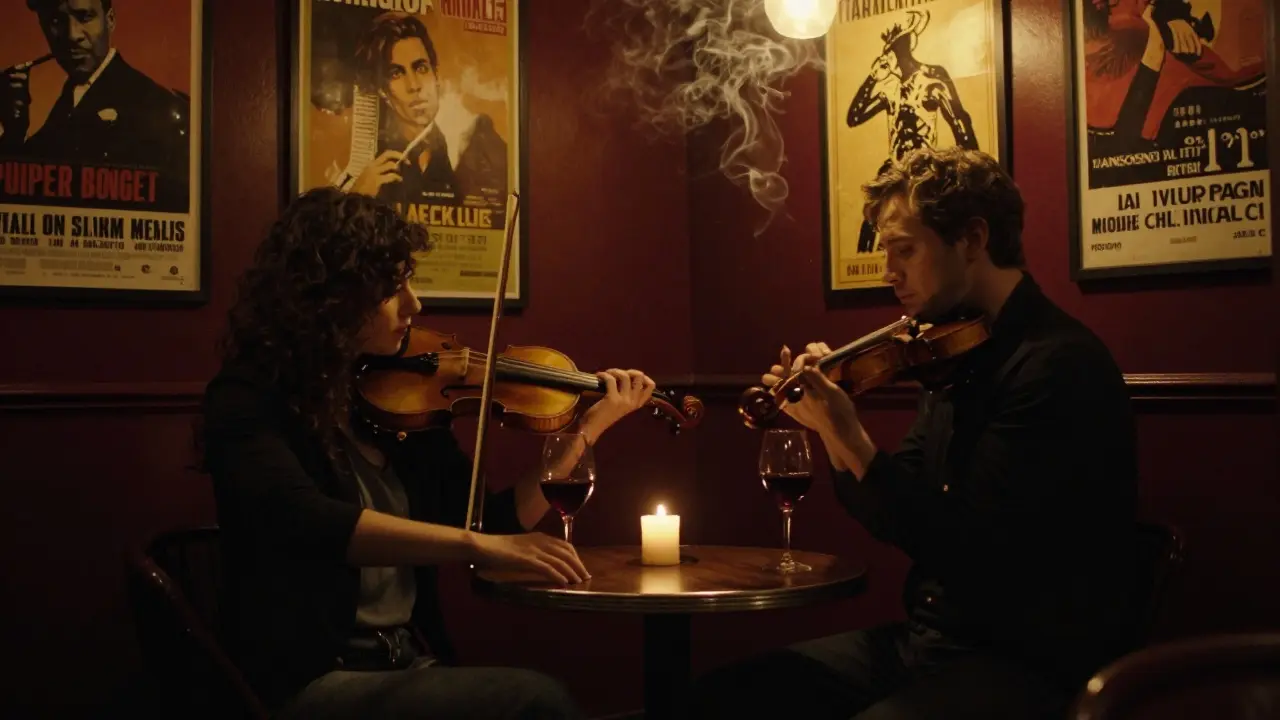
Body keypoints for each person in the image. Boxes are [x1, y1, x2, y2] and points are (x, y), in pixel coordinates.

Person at [685, 146, 1139, 719]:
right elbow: (895, 513)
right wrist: (829, 426)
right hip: (930, 647)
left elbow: (970, 551)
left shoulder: (1054, 365)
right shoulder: (951, 350)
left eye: (905, 249)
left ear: (972, 239)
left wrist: (852, 438)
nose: (888, 272)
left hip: (1027, 662)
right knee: (720, 699)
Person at [201, 187, 656, 719]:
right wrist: (474, 546)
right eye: (393, 289)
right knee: (535, 701)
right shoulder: (246, 399)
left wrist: (587, 430)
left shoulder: (398, 406)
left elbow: (494, 523)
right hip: (307, 679)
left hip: (408, 664)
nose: (414, 305)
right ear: (332, 297)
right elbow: (306, 521)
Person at [0, 0, 190, 211]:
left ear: (110, 20)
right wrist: (14, 131)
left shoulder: (159, 109)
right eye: (56, 21)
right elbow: (21, 193)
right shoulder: (71, 99)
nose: (73, 35)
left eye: (84, 17)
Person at [347, 11, 508, 212]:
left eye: (421, 69)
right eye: (396, 73)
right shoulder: (369, 170)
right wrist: (357, 199)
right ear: (382, 90)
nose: (414, 86)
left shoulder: (474, 142)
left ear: (436, 76)